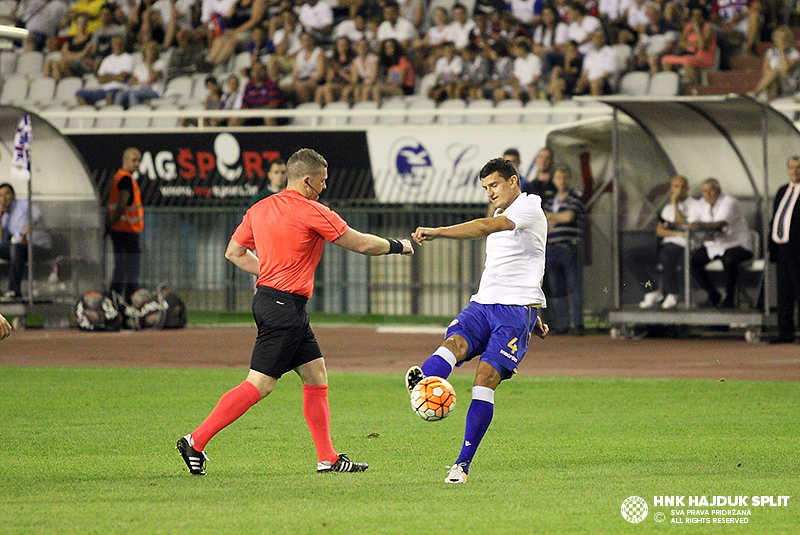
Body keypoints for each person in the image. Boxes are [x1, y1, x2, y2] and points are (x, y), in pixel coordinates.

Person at [176, 148, 414, 476]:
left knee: (315, 373)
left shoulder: (259, 208)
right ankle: (195, 439)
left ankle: (327, 458)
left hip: (272, 301)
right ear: (306, 180)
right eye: (322, 181)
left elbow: (234, 252)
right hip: (283, 308)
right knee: (259, 384)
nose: (325, 187)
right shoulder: (312, 210)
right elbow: (361, 244)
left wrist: (269, 274)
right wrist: (398, 245)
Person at [405, 157, 549, 484]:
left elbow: (484, 228)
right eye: (485, 188)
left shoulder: (529, 208)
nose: (490, 193)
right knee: (452, 344)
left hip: (514, 313)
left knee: (484, 379)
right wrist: (537, 308)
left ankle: (462, 464)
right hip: (483, 303)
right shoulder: (502, 214)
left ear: (514, 181)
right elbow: (530, 261)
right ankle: (423, 385)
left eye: (494, 185)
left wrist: (439, 231)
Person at [689, 178, 753, 308]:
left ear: (718, 190)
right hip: (714, 246)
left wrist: (699, 225)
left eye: (711, 190)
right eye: (704, 192)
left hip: (737, 245)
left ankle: (730, 299)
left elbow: (720, 223)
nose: (708, 194)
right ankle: (713, 295)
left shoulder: (729, 202)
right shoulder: (701, 204)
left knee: (729, 259)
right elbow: (692, 220)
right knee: (691, 261)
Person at [638, 175, 701, 310]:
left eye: (682, 187)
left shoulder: (696, 205)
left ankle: (673, 293)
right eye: (676, 186)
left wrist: (675, 205)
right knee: (631, 255)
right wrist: (677, 233)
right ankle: (651, 290)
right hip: (669, 242)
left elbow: (683, 223)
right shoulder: (667, 208)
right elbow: (660, 231)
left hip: (686, 245)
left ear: (687, 189)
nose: (679, 190)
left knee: (667, 254)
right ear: (671, 188)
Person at [542, 165, 585, 334]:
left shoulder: (575, 196)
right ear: (554, 180)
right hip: (551, 248)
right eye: (559, 177)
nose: (562, 181)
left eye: (565, 177)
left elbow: (569, 217)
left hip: (569, 246)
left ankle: (578, 324)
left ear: (570, 179)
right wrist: (556, 218)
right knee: (556, 288)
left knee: (574, 287)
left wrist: (553, 218)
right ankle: (562, 324)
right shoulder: (550, 200)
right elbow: (544, 221)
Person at [0, 183, 53, 301]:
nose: (3, 198)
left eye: (6, 194)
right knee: (15, 248)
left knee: (16, 248)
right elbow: (2, 241)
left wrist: (24, 233)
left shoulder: (23, 204)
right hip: (19, 248)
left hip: (38, 246)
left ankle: (14, 290)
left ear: (13, 195)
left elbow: (36, 215)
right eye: (0, 195)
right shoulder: (5, 216)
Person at [767, 156, 800, 343]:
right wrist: (771, 246)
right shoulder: (782, 191)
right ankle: (785, 333)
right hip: (782, 248)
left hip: (798, 249)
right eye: (792, 167)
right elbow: (776, 219)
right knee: (783, 292)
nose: (795, 171)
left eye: (798, 167)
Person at [106, 148, 144, 303]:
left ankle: (115, 300)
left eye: (139, 160)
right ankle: (128, 301)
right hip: (126, 231)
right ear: (125, 160)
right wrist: (111, 223)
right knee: (129, 271)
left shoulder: (118, 177)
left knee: (121, 269)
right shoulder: (125, 179)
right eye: (134, 160)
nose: (137, 164)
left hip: (120, 230)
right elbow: (122, 204)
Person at [749, 25, 800, 102]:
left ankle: (754, 93)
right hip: (773, 81)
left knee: (775, 72)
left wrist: (782, 51)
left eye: (785, 37)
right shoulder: (770, 52)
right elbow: (765, 70)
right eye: (779, 37)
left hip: (788, 83)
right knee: (773, 76)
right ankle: (768, 100)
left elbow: (786, 70)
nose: (782, 40)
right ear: (775, 39)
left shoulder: (794, 53)